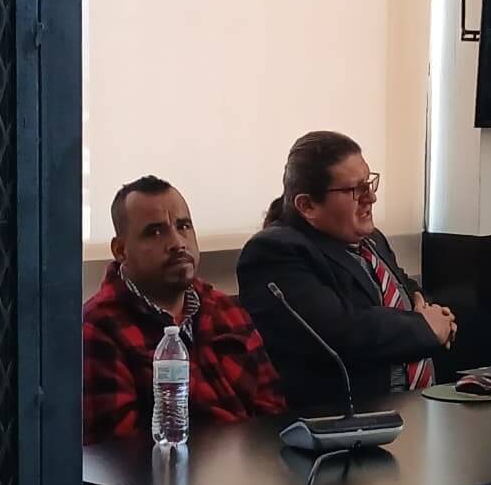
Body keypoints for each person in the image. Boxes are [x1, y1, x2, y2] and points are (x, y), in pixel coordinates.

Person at [236, 131, 456, 408]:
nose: (371, 197)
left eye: (369, 183)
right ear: (307, 205)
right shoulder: (274, 252)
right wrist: (424, 327)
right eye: (355, 190)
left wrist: (432, 313)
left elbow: (405, 289)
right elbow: (342, 333)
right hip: (348, 418)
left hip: (419, 405)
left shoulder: (372, 239)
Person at [83, 176, 285, 444]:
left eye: (184, 226)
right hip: (165, 468)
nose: (178, 242)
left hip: (251, 462)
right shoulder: (99, 327)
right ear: (120, 250)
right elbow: (117, 449)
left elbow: (273, 412)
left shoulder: (223, 308)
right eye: (155, 232)